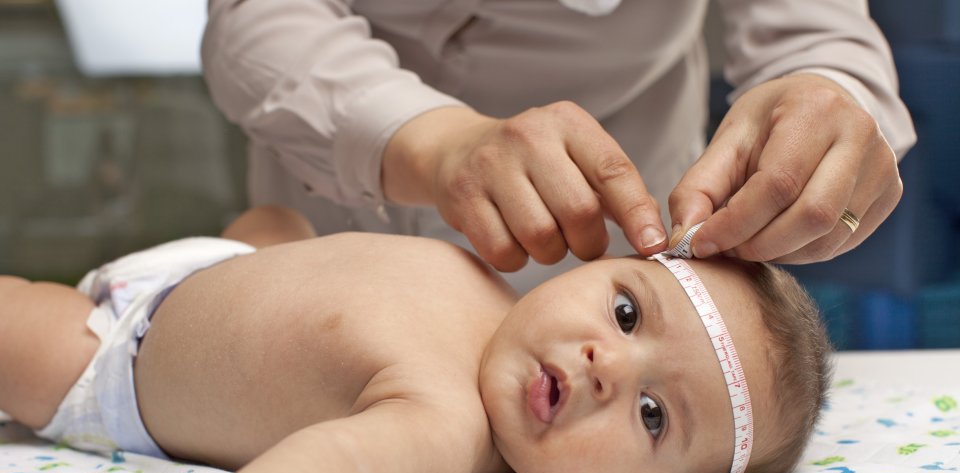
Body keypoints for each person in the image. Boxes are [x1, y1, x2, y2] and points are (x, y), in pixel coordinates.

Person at [0, 205, 833, 473]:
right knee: (281, 222)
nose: (607, 364)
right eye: (625, 312)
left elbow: (349, 472)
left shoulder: (445, 421)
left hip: (112, 352)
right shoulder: (497, 289)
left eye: (653, 417)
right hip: (228, 263)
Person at [201, 0, 916, 292]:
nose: (599, 369)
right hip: (336, 197)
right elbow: (259, 15)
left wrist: (831, 96)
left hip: (619, 194)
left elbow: (818, 31)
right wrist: (434, 145)